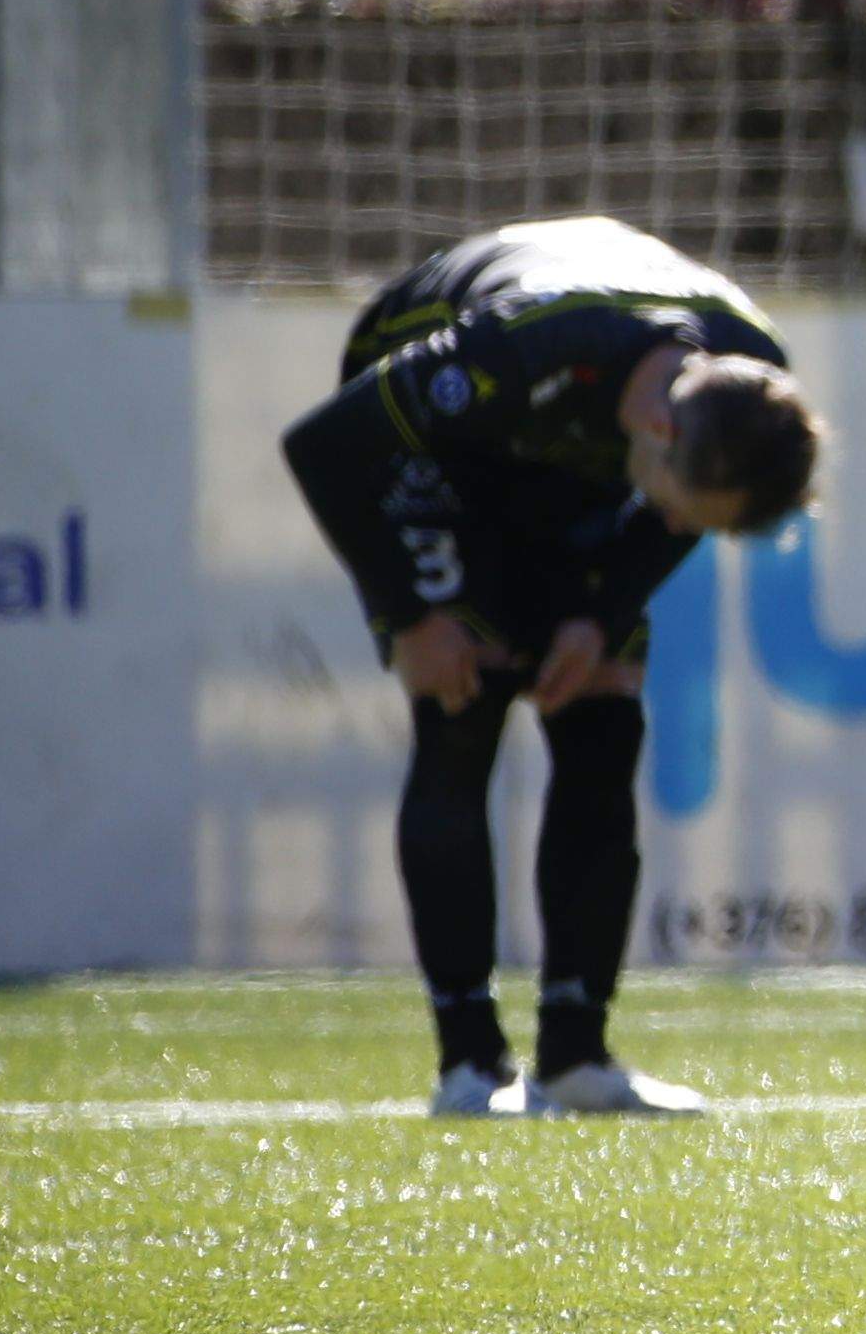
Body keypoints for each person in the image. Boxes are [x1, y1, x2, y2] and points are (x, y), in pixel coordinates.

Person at [282, 218, 825, 1119]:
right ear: (658, 429)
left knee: (605, 713)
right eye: (690, 514)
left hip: (574, 461)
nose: (681, 534)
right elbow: (325, 448)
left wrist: (597, 610)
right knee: (464, 699)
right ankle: (469, 1063)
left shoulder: (748, 376)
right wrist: (412, 617)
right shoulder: (523, 346)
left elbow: (668, 515)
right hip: (433, 443)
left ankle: (576, 1056)